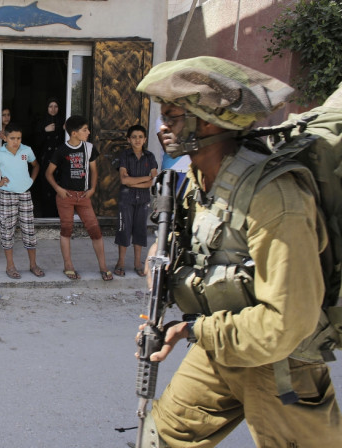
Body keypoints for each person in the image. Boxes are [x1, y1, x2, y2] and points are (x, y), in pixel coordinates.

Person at [134, 57, 342, 446]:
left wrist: (191, 328)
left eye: (175, 117)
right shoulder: (198, 180)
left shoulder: (274, 197)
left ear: (208, 122)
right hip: (221, 347)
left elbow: (285, 324)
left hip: (281, 367)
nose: (163, 127)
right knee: (162, 436)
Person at [45, 115, 112, 281]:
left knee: (95, 230)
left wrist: (93, 189)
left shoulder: (89, 148)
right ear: (74, 133)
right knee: (66, 230)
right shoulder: (61, 150)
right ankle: (68, 266)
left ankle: (103, 266)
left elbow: (94, 171)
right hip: (65, 196)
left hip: (83, 196)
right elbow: (48, 173)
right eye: (84, 130)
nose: (88, 132)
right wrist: (58, 189)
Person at [0, 123, 44, 279]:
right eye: (12, 138)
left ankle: (33, 265)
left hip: (25, 194)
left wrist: (31, 181)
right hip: (8, 195)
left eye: (19, 138)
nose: (16, 141)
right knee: (7, 230)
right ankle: (10, 266)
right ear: (5, 138)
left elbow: (36, 165)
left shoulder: (26, 150)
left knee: (29, 229)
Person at [114, 124, 157, 278]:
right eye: (134, 137)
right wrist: (145, 178)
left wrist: (134, 181)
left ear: (145, 139)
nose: (137, 140)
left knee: (140, 230)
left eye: (140, 137)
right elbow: (123, 180)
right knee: (123, 229)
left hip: (143, 199)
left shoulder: (150, 157)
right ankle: (120, 262)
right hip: (126, 198)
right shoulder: (125, 156)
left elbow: (153, 180)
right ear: (128, 139)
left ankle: (138, 263)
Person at [35, 97, 65, 217]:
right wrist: (44, 130)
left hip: (60, 159)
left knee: (58, 185)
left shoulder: (63, 122)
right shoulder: (41, 123)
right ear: (46, 108)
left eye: (56, 106)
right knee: (46, 185)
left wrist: (63, 130)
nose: (53, 109)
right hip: (46, 158)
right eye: (50, 106)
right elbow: (36, 142)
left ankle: (58, 214)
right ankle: (46, 214)